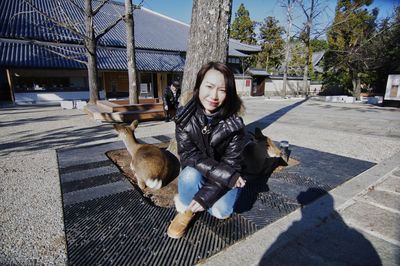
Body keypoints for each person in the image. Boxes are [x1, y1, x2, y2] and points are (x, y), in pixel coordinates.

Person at [167, 62, 247, 239]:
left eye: (222, 90)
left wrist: (204, 198)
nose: (214, 96)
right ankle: (188, 211)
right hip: (203, 172)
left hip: (226, 174)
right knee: (188, 174)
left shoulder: (235, 125)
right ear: (198, 86)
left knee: (221, 211)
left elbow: (230, 166)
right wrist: (225, 178)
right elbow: (188, 156)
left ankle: (201, 201)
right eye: (209, 86)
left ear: (229, 93)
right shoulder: (184, 118)